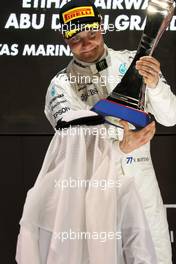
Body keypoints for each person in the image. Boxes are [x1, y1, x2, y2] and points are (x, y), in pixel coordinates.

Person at [16, 0, 176, 263]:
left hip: (141, 183)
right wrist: (119, 147)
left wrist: (156, 85)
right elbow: (70, 149)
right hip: (95, 193)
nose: (86, 43)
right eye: (76, 39)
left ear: (102, 27)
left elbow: (171, 117)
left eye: (92, 34)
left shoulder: (134, 62)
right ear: (64, 38)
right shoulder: (60, 87)